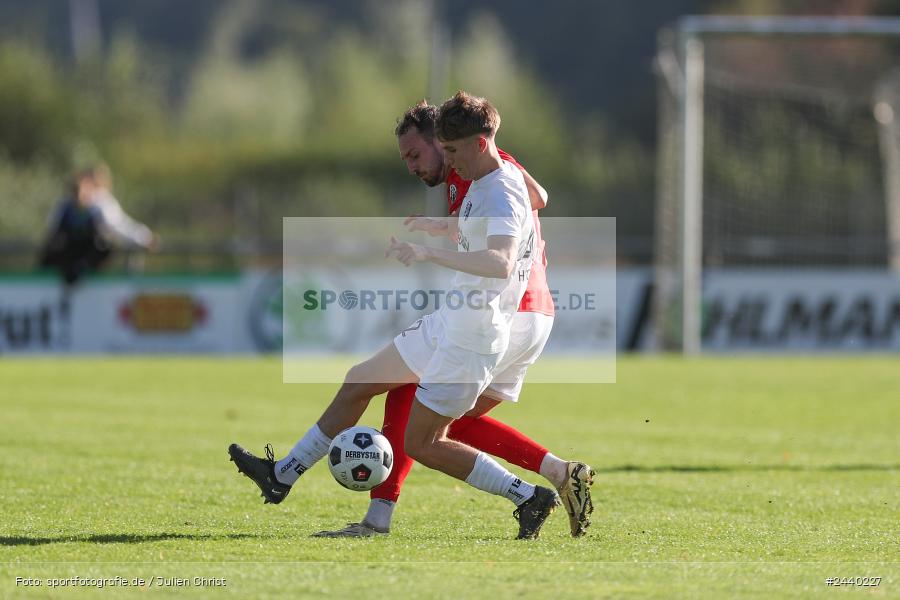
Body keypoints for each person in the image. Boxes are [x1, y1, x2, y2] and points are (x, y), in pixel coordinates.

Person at [229, 92, 579, 539]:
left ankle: (527, 493)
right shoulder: (475, 171)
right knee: (368, 384)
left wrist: (432, 249)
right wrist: (445, 229)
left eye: (418, 154)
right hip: (472, 312)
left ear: (452, 140)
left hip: (499, 315)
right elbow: (533, 200)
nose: (413, 166)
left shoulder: (487, 169)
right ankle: (285, 475)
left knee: (428, 431)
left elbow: (506, 246)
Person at [38, 164, 157, 285]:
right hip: (68, 262)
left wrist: (143, 237)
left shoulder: (100, 204)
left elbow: (119, 226)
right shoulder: (64, 206)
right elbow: (53, 232)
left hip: (89, 263)